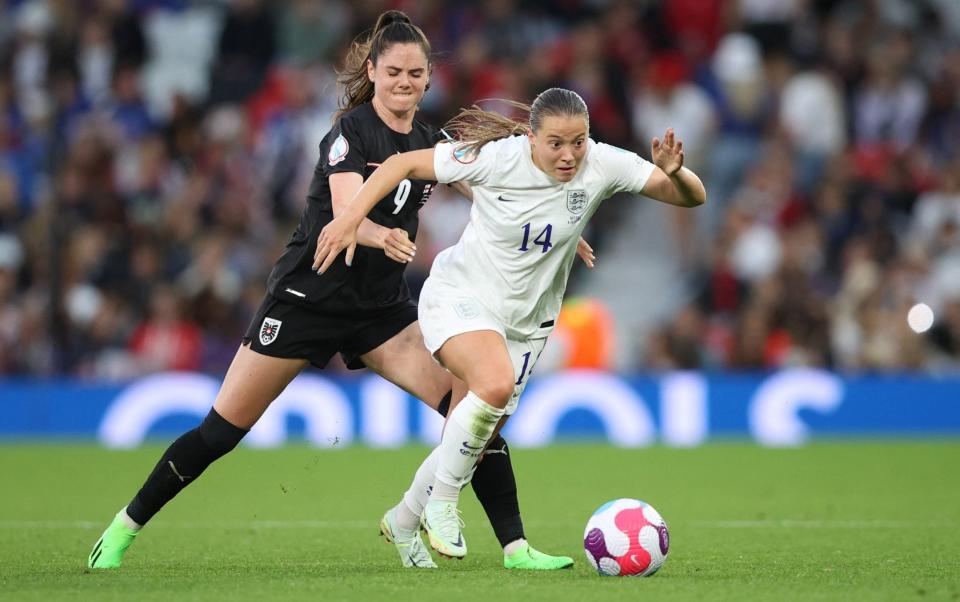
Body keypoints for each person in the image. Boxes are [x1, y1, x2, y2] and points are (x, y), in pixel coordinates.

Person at [88, 12, 582, 572]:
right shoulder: (349, 135)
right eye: (393, 71)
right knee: (221, 431)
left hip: (379, 310)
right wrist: (382, 234)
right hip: (306, 301)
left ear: (427, 80)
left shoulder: (429, 141)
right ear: (372, 72)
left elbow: (493, 187)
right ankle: (124, 526)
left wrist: (549, 227)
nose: (404, 82)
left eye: (415, 73)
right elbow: (346, 214)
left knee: (473, 405)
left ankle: (512, 547)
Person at [314, 87, 706, 559]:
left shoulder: (602, 163)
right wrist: (348, 220)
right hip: (461, 297)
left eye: (578, 141)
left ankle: (402, 520)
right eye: (556, 143)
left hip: (527, 322)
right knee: (493, 385)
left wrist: (675, 172)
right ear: (531, 138)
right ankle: (442, 505)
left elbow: (691, 198)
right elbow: (401, 165)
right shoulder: (497, 159)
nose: (569, 155)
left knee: (475, 433)